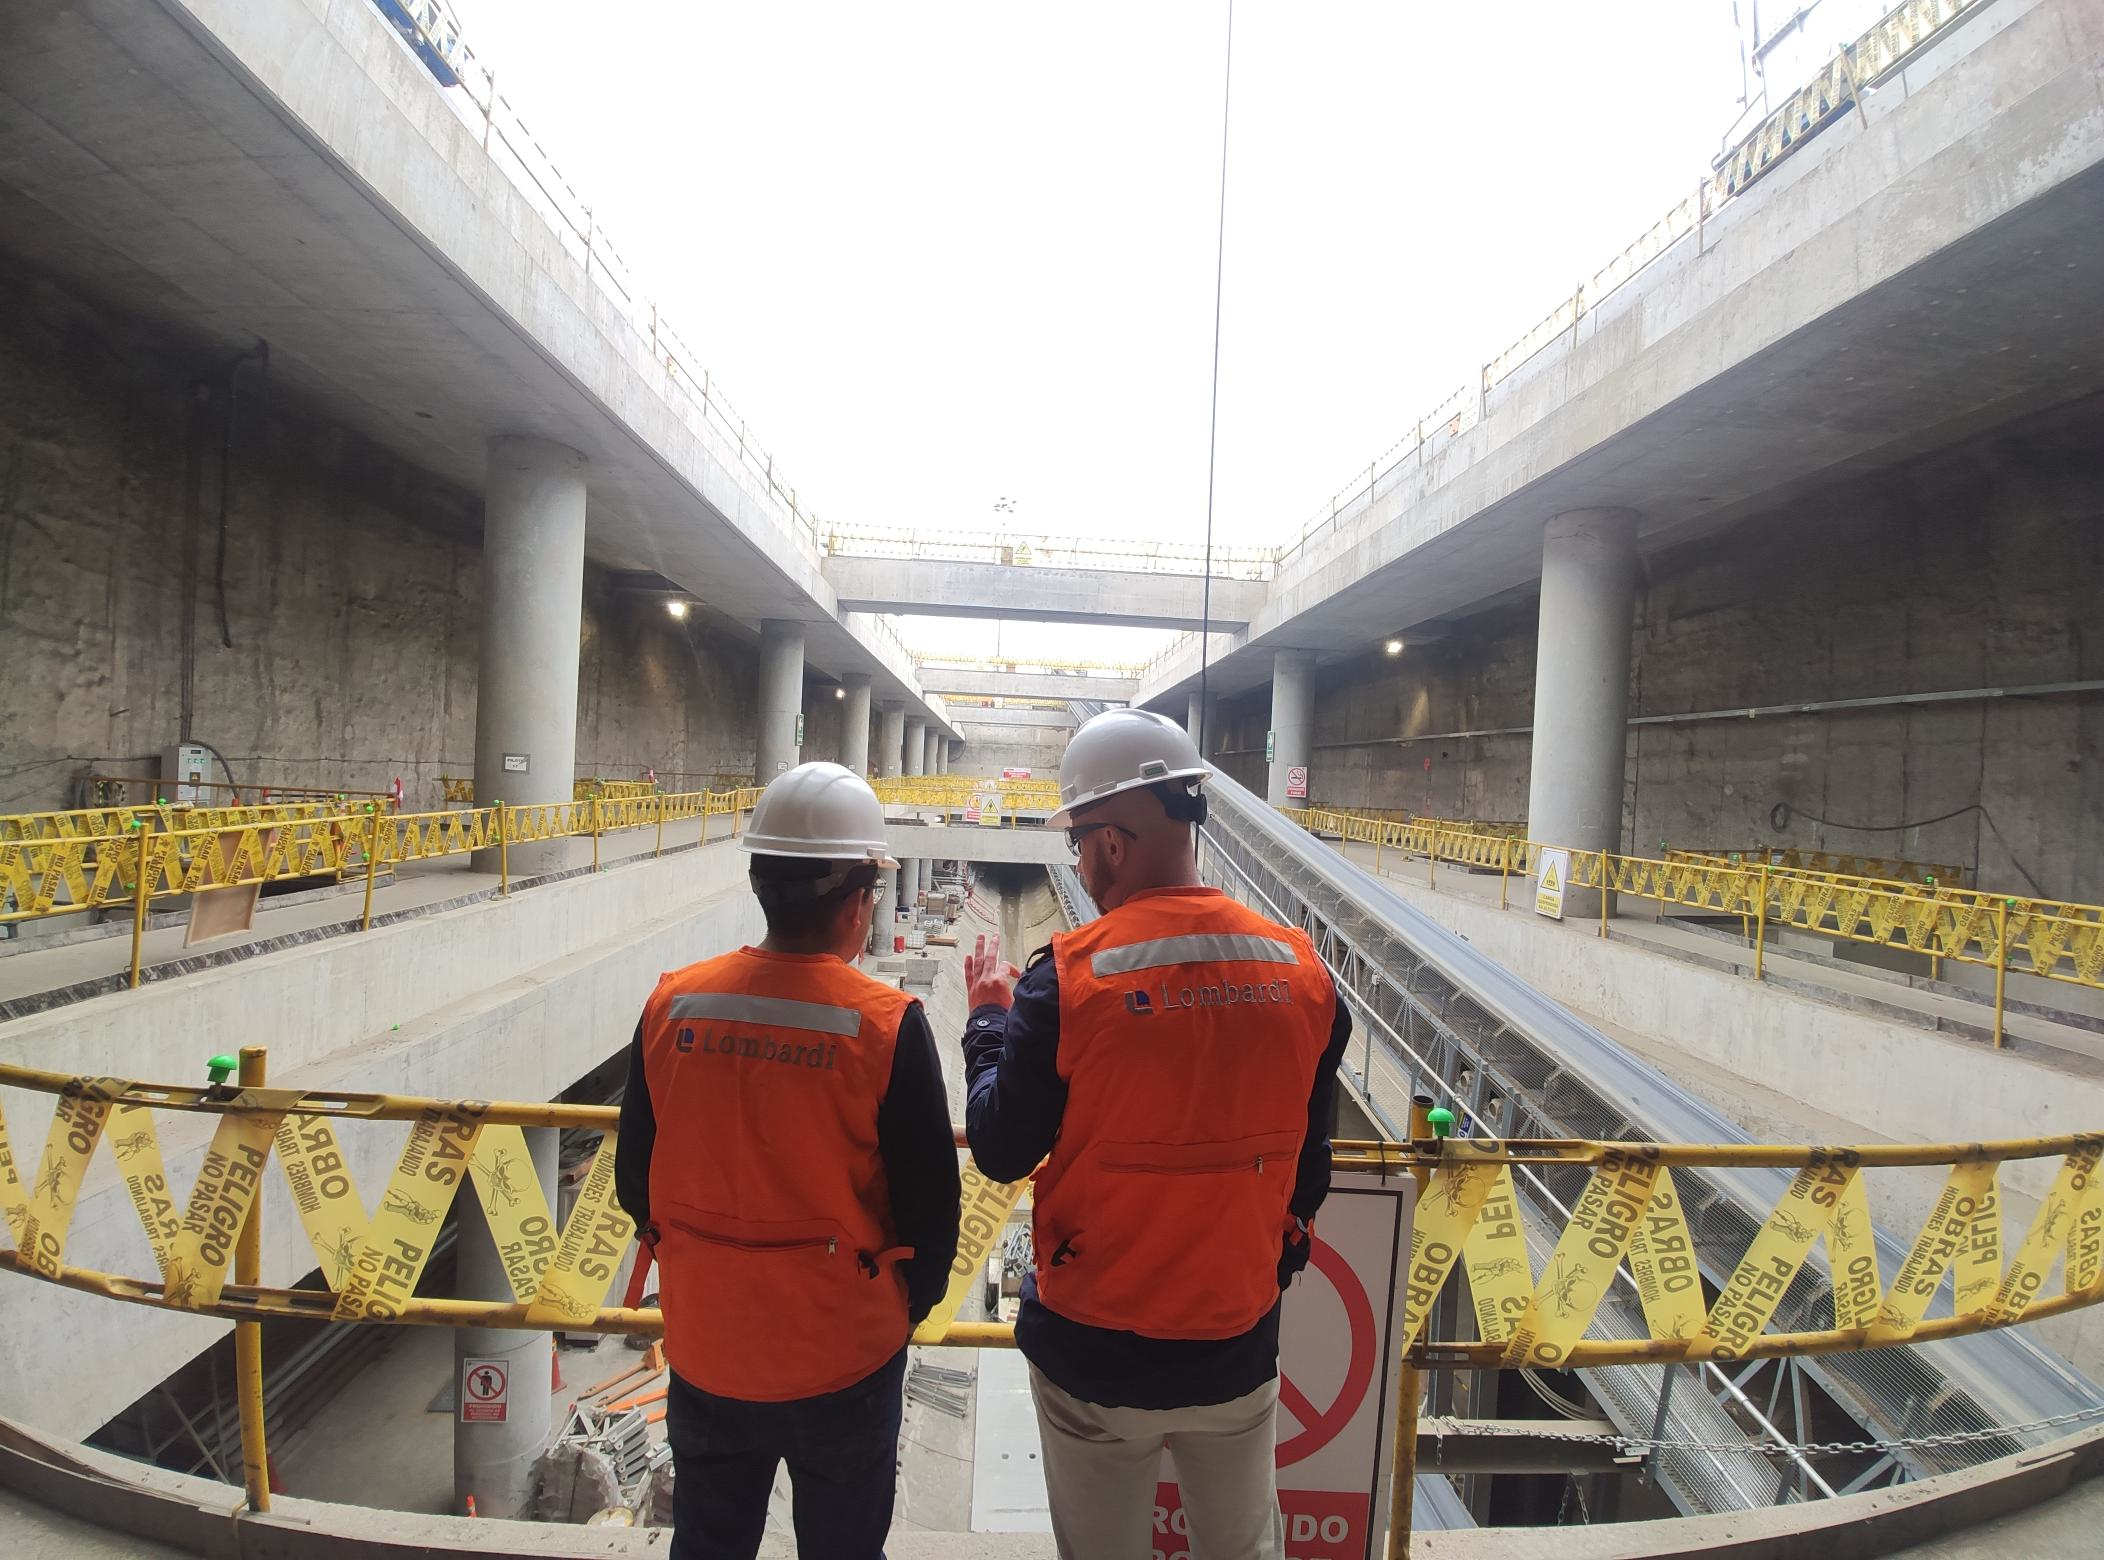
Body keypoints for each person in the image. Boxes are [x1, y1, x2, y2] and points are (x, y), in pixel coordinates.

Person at [963, 709, 1352, 1560]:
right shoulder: (1303, 973)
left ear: (1108, 843)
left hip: (1092, 1353)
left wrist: (987, 1026)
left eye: (1078, 846)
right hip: (1234, 1341)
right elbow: (1308, 1166)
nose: (1079, 864)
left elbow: (997, 1147)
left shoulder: (1066, 985)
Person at [614, 761, 961, 1560]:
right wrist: (902, 1309)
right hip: (843, 1355)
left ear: (761, 881)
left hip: (707, 1348)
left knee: (709, 1543)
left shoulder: (675, 1004)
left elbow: (637, 1181)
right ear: (858, 901)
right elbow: (930, 1213)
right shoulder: (883, 1024)